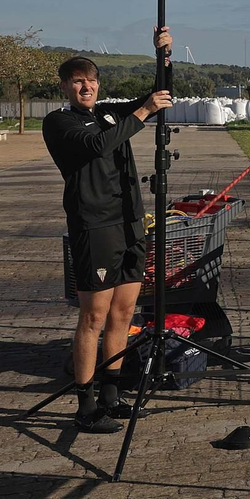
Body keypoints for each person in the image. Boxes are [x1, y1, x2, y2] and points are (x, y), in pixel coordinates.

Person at [43, 30, 173, 432]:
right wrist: (141, 113)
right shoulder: (59, 122)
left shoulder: (110, 112)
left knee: (123, 313)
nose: (87, 86)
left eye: (92, 80)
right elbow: (99, 145)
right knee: (94, 318)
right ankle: (85, 406)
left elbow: (160, 95)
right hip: (94, 227)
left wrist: (164, 57)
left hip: (130, 223)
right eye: (78, 81)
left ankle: (113, 396)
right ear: (66, 86)